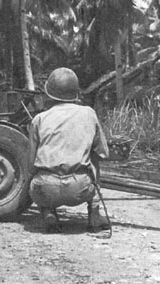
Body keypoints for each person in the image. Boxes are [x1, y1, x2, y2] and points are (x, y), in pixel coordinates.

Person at [28, 67, 110, 233]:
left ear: (49, 93)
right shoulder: (89, 114)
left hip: (45, 189)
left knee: (36, 177)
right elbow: (103, 153)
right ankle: (94, 213)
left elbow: (30, 164)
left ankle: (48, 212)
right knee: (94, 158)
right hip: (79, 189)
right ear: (75, 93)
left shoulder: (39, 119)